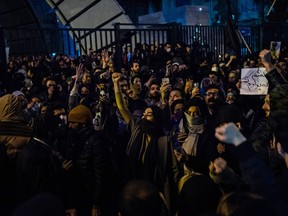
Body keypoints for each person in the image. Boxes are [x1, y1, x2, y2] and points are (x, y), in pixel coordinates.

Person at [112, 72, 180, 214]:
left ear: (156, 119)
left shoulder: (163, 140)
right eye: (144, 114)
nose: (144, 117)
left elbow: (172, 169)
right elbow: (122, 108)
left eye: (148, 114)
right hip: (134, 184)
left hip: (155, 188)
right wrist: (116, 86)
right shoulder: (137, 128)